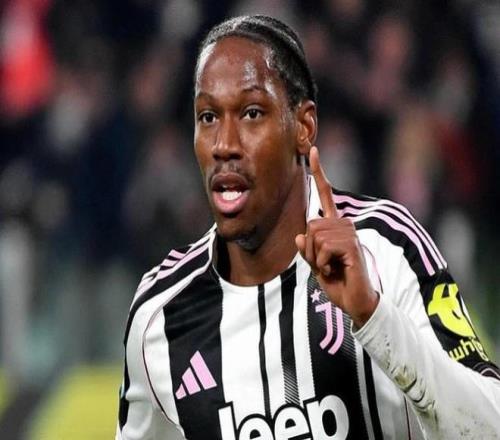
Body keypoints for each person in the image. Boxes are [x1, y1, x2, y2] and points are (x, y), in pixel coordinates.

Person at [116, 15, 500, 440]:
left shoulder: (385, 247)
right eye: (207, 117)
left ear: (303, 127)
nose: (224, 144)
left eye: (251, 113)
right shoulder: (161, 317)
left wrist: (374, 315)